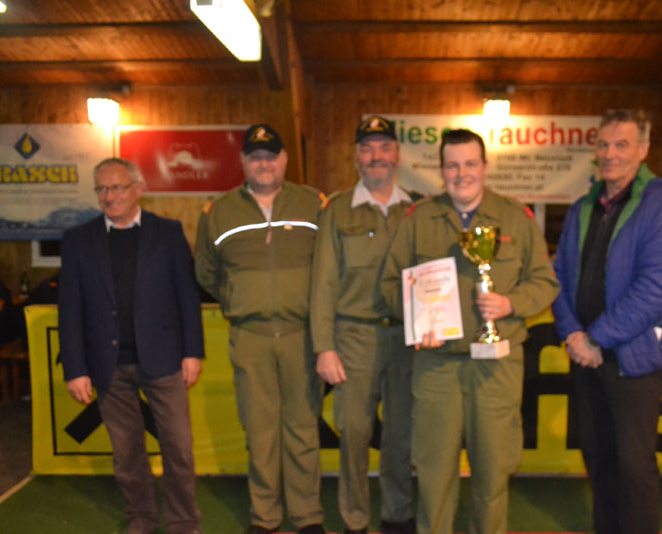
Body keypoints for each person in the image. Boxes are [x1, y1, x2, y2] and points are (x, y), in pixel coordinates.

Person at [380, 129, 559, 534]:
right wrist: (417, 321)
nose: (461, 173)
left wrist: (511, 303)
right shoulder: (419, 219)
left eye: (470, 164)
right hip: (436, 367)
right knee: (434, 478)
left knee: (493, 475)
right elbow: (390, 284)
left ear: (485, 166)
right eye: (452, 165)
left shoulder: (515, 218)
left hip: (496, 369)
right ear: (441, 170)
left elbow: (545, 282)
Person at [551, 109, 662, 534]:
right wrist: (572, 333)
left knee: (633, 466)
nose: (610, 154)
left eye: (622, 144)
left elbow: (658, 286)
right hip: (587, 356)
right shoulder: (582, 207)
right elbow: (557, 278)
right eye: (604, 144)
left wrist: (596, 338)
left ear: (643, 150)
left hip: (634, 357)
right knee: (598, 460)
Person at [58, 157, 204, 534]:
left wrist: (193, 352)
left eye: (117, 188)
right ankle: (141, 519)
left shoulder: (168, 232)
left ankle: (183, 523)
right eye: (102, 189)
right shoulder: (78, 240)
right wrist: (75, 369)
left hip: (165, 361)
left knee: (179, 450)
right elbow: (70, 308)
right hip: (108, 366)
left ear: (138, 189)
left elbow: (186, 297)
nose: (109, 196)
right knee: (127, 455)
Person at [194, 124, 324, 534]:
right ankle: (265, 517)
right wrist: (241, 299)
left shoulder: (314, 204)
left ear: (284, 159)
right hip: (250, 337)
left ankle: (307, 516)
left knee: (303, 429)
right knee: (260, 432)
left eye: (271, 156)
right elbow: (206, 272)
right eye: (255, 157)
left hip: (303, 336)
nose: (264, 163)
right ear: (243, 162)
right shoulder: (218, 213)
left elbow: (330, 266)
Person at [310, 116, 418, 534]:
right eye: (368, 149)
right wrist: (324, 346)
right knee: (354, 434)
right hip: (354, 336)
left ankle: (397, 514)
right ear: (356, 157)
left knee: (401, 433)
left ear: (397, 155)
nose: (377, 157)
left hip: (407, 338)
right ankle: (354, 519)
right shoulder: (337, 210)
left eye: (385, 147)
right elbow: (323, 282)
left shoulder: (418, 209)